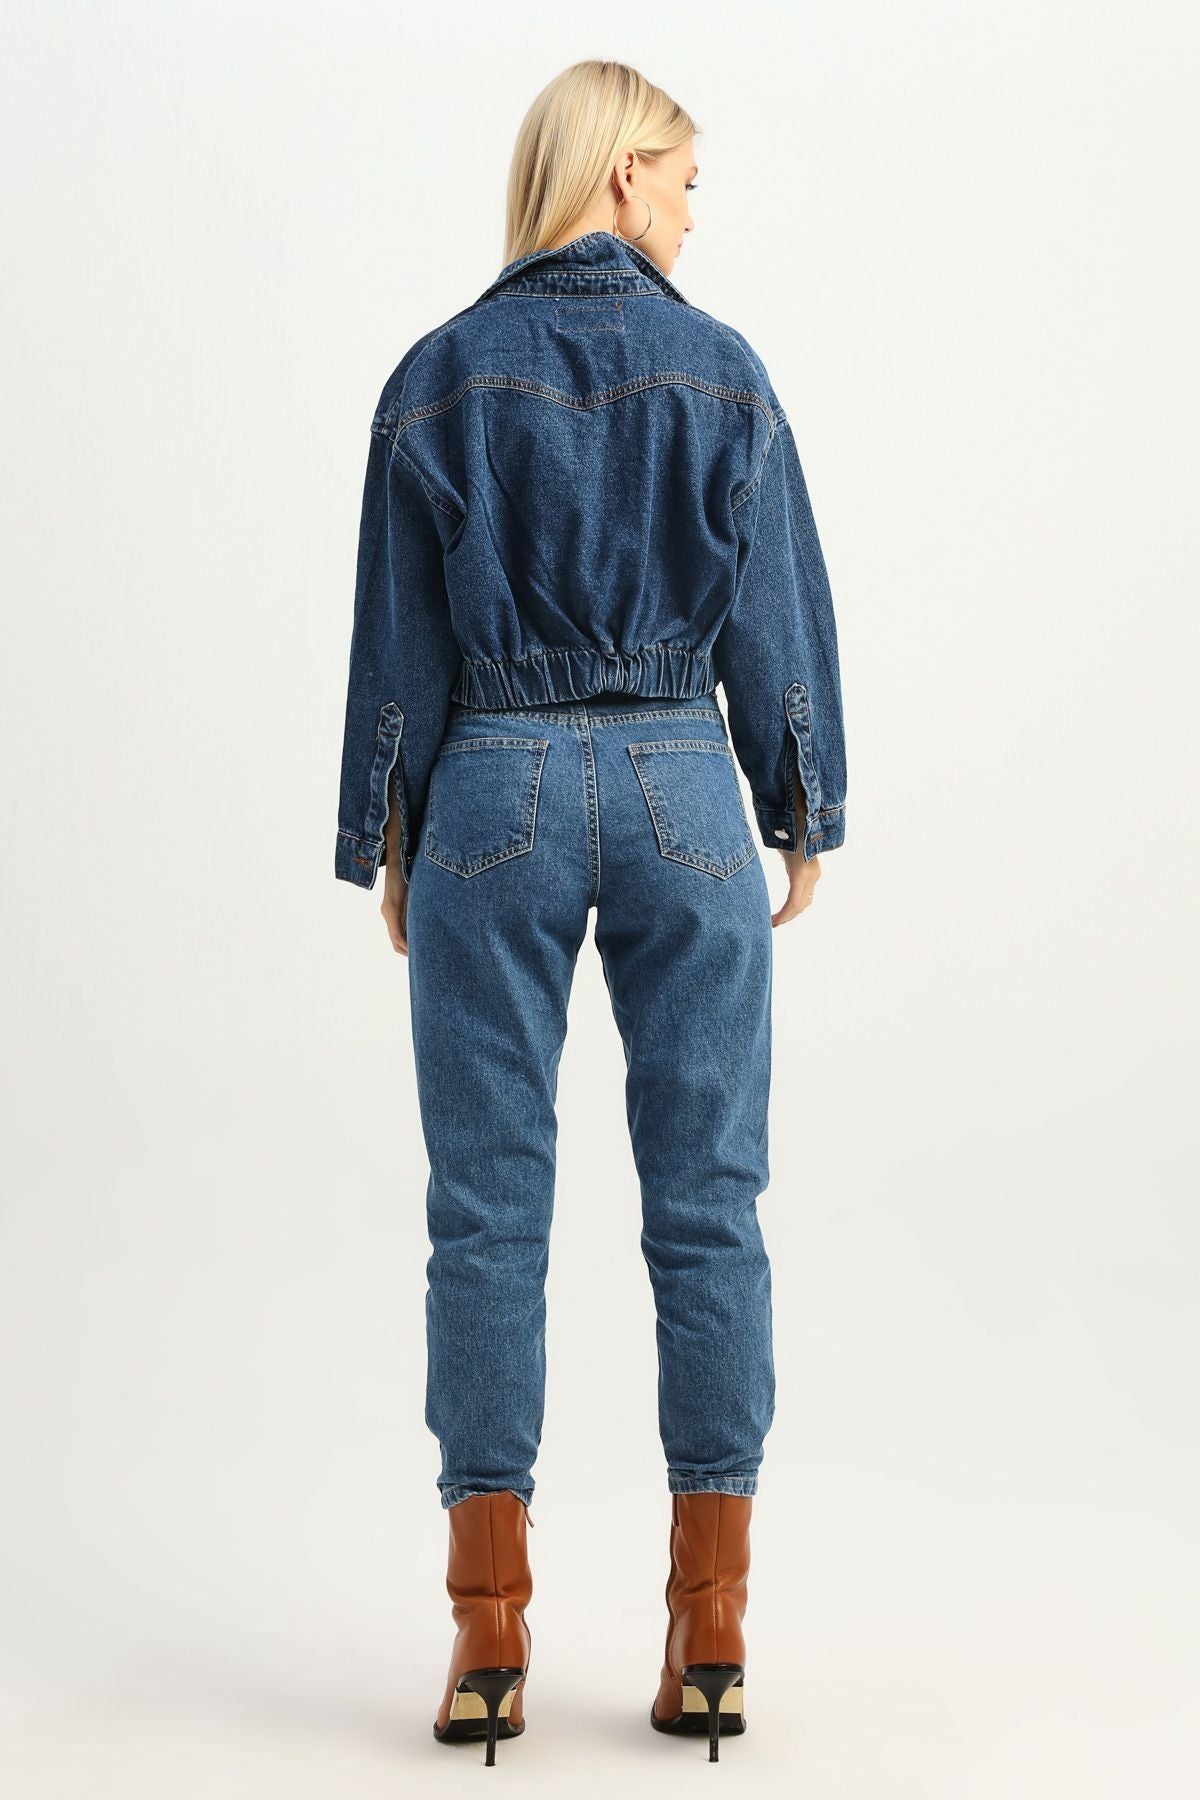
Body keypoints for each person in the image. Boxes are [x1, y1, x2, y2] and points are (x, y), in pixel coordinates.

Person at [333, 58, 848, 1766]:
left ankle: (488, 1641)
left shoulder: (438, 374)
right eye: (685, 180)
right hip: (685, 785)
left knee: (485, 1216)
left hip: (494, 790)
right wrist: (801, 800)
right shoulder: (726, 371)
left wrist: (391, 831)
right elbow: (775, 608)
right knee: (709, 1208)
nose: (695, 215)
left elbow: (399, 639)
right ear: (622, 173)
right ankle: (713, 1633)